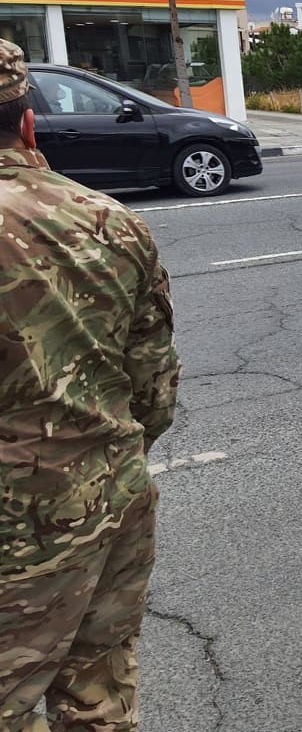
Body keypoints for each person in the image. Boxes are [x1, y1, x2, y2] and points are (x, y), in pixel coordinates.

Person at [0, 39, 181, 732]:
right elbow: (153, 387)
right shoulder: (114, 221)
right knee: (99, 691)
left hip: (14, 520)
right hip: (111, 490)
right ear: (28, 121)